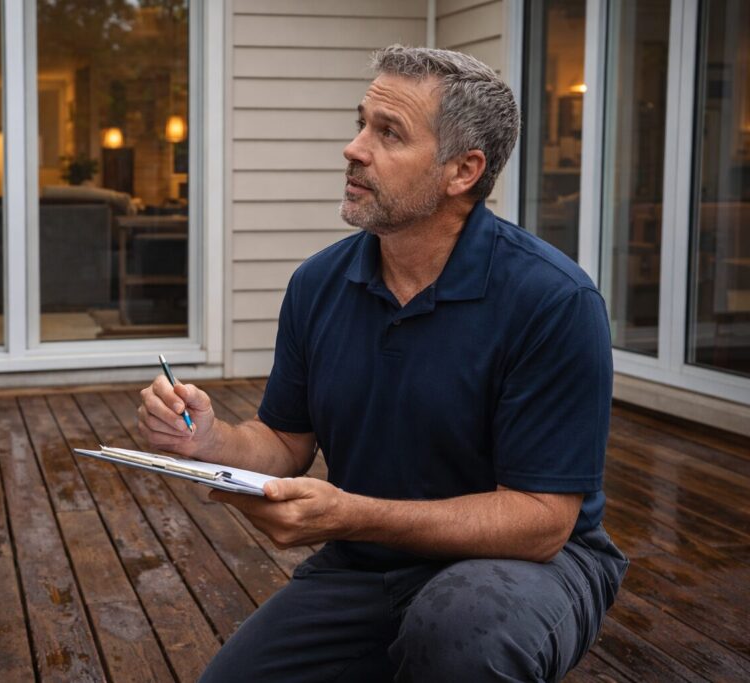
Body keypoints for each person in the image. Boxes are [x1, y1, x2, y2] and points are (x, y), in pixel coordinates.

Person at [138, 45, 627, 682]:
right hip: (367, 564)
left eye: (388, 132)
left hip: (531, 567)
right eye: (361, 122)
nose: (354, 148)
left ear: (462, 171)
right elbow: (285, 441)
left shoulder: (553, 301)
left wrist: (351, 513)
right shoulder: (318, 283)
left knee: (457, 636)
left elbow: (540, 523)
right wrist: (210, 440)